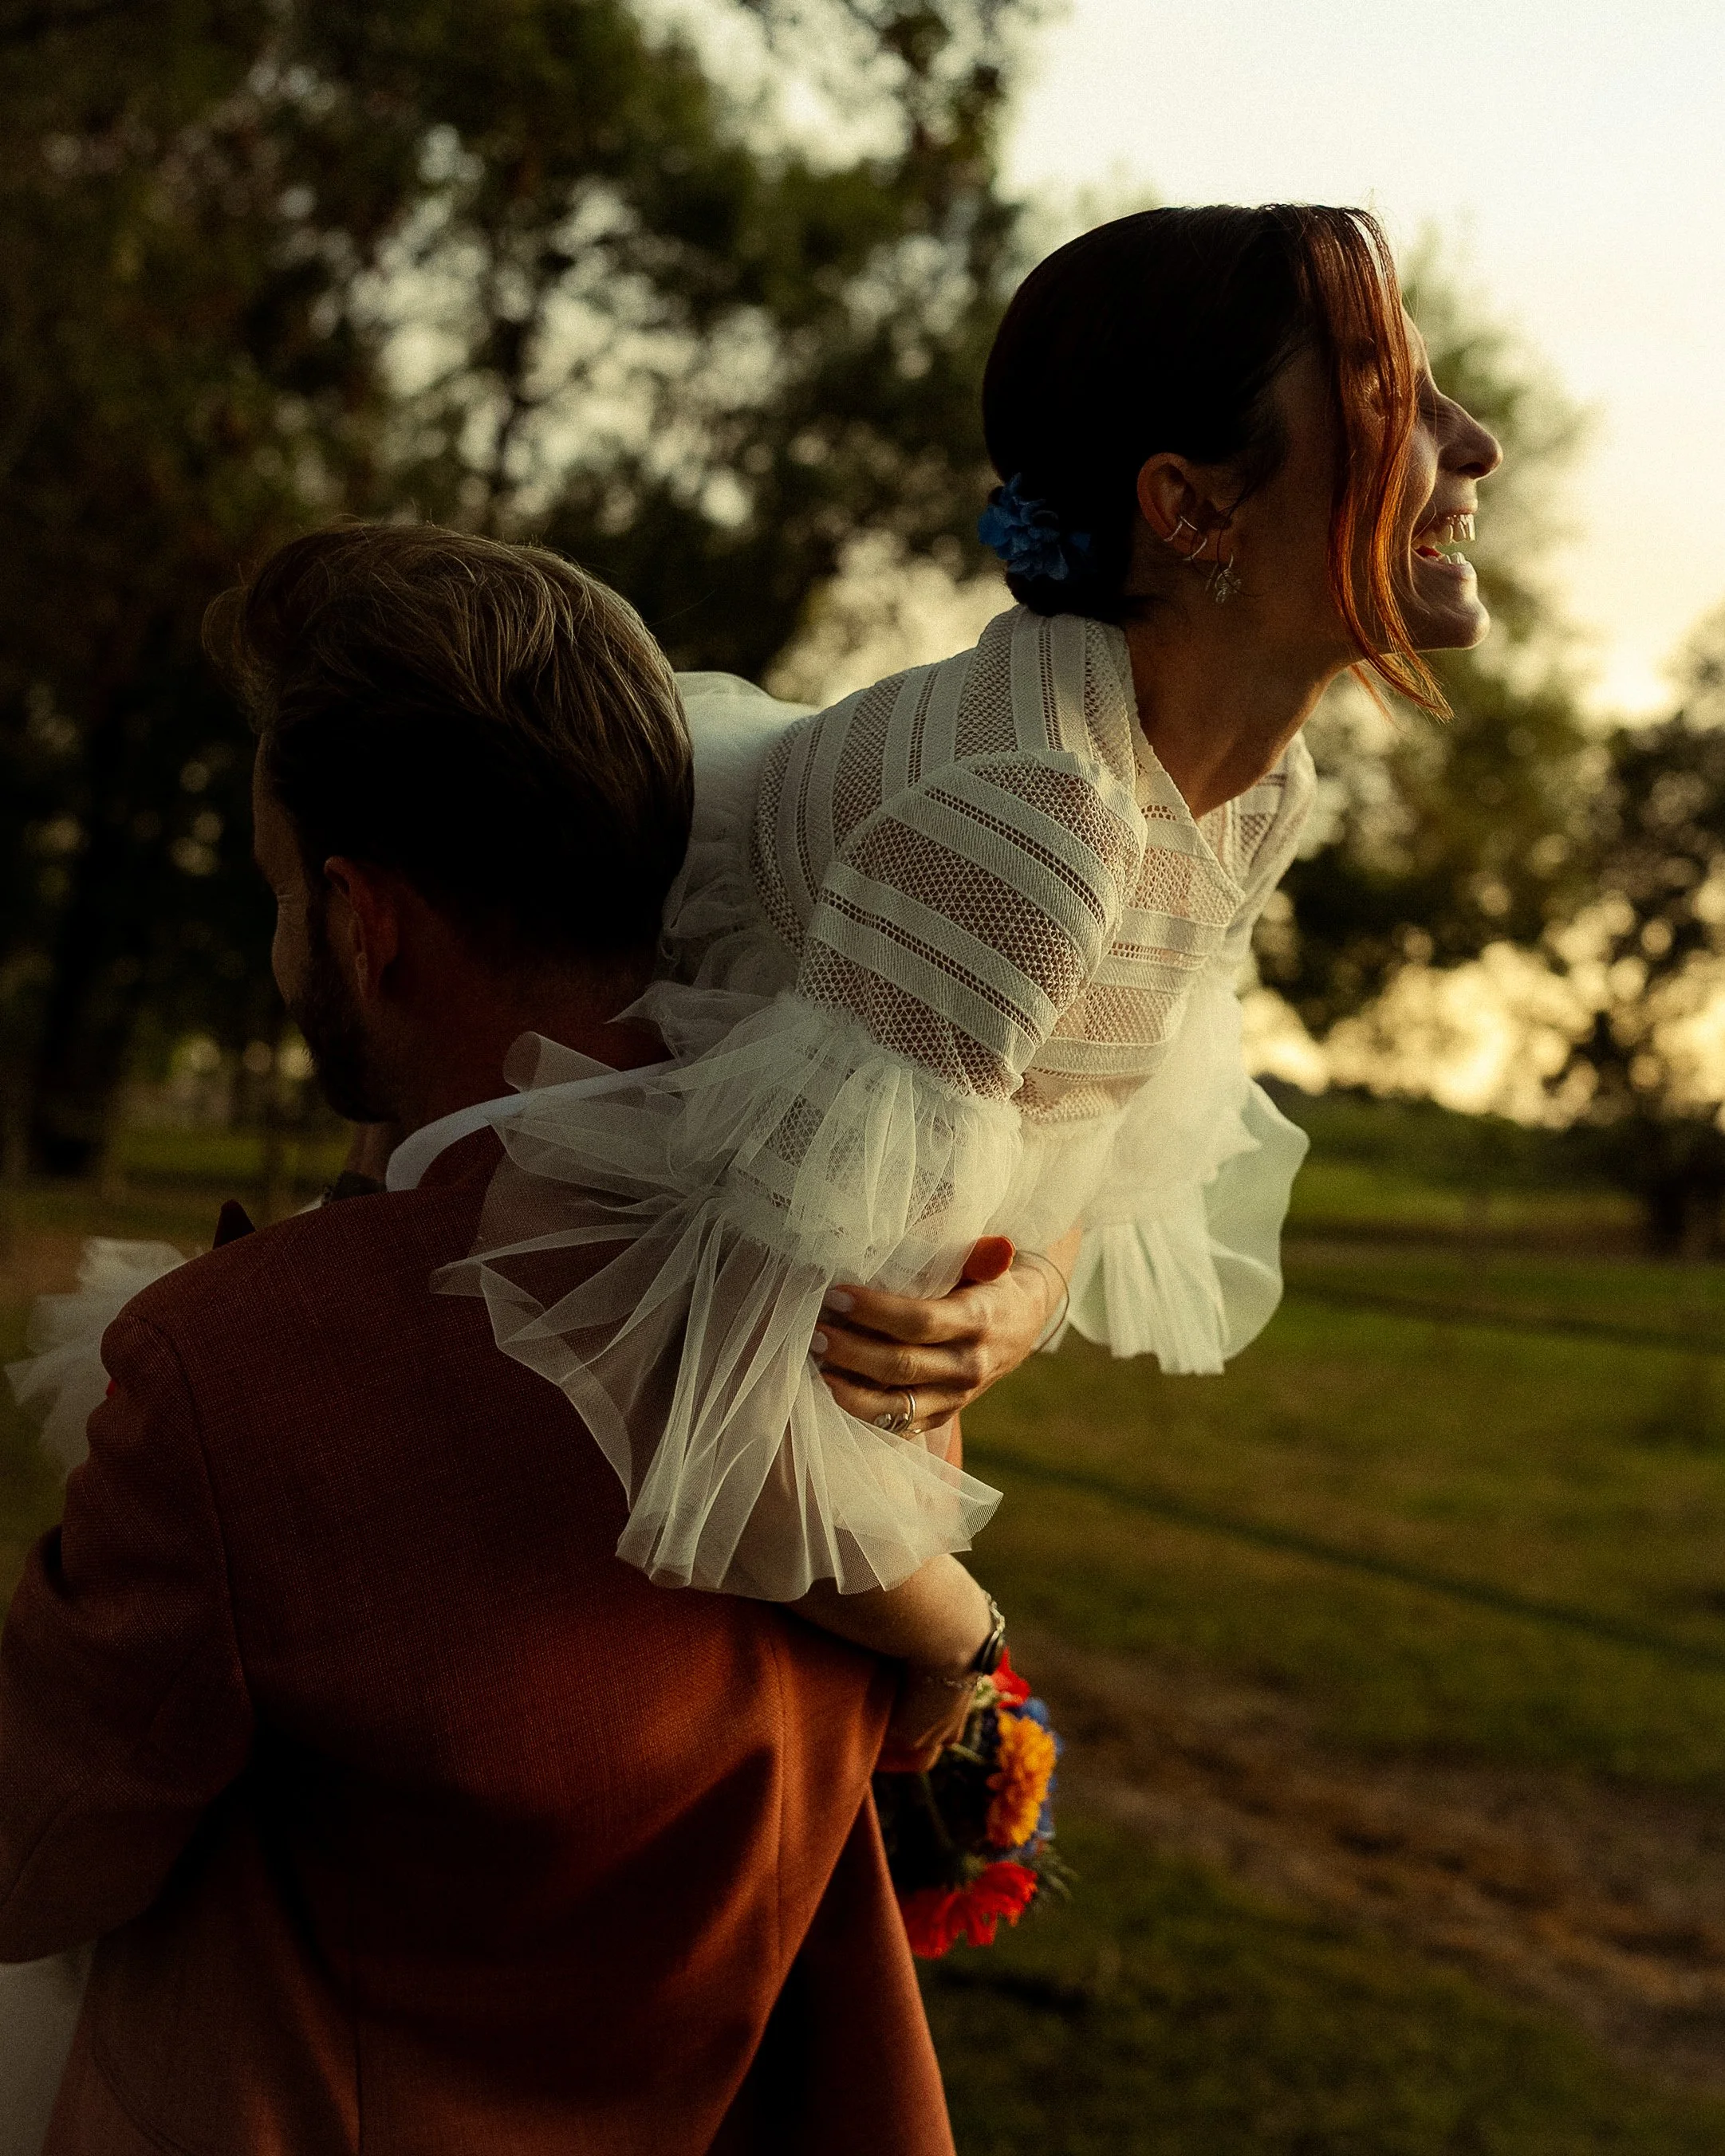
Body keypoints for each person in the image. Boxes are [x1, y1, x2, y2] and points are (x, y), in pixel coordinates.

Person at [0, 529, 1048, 2154]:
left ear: (366, 921)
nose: (286, 943)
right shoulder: (857, 1279)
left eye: (284, 890)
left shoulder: (240, 1374)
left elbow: (28, 1850)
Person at [447, 203, 1504, 1605]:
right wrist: (961, 1641)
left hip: (821, 1451)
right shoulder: (1027, 819)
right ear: (1188, 506)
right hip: (565, 1458)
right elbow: (698, 1383)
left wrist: (1019, 1299)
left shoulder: (1249, 791)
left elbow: (1089, 1131)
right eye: (1388, 394)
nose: (1471, 439)